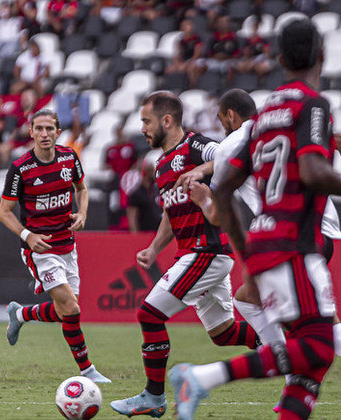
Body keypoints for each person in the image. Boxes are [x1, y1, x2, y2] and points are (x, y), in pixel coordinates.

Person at [167, 19, 341, 420]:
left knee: (312, 365)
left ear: (277, 59)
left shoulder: (267, 112)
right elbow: (313, 172)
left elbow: (222, 188)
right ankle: (201, 377)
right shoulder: (312, 105)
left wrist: (246, 254)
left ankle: (215, 382)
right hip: (296, 243)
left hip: (268, 244)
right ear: (322, 55)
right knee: (318, 348)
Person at [193, 88, 341, 419]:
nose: (223, 126)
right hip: (320, 230)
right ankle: (295, 377)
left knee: (324, 333)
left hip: (293, 236)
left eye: (222, 120)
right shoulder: (280, 126)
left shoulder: (231, 145)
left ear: (230, 117)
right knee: (250, 300)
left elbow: (219, 213)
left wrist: (203, 198)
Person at [109, 91, 260, 418]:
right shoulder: (161, 163)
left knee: (149, 314)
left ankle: (153, 396)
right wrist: (153, 247)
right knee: (224, 334)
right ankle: (288, 347)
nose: (143, 129)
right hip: (195, 253)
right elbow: (170, 212)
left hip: (206, 251)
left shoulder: (195, 145)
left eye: (147, 122)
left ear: (167, 120)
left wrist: (201, 172)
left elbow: (228, 154)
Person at [0, 109, 111, 384]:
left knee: (65, 312)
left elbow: (81, 190)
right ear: (31, 132)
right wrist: (27, 236)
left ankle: (21, 314)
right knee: (71, 309)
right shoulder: (21, 168)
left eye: (50, 129)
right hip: (40, 250)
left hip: (67, 246)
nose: (44, 134)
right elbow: (4, 211)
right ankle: (87, 371)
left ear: (58, 132)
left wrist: (82, 214)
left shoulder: (69, 157)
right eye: (39, 129)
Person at [125, 159, 161, 233]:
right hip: (144, 233)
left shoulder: (155, 191)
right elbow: (132, 218)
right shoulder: (135, 194)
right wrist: (136, 236)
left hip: (157, 233)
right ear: (145, 173)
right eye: (151, 171)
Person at [0, 2, 25, 68]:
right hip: (0, 42)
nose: (5, 11)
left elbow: (23, 34)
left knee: (4, 54)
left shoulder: (18, 20)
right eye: (3, 9)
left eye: (6, 8)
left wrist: (23, 46)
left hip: (13, 42)